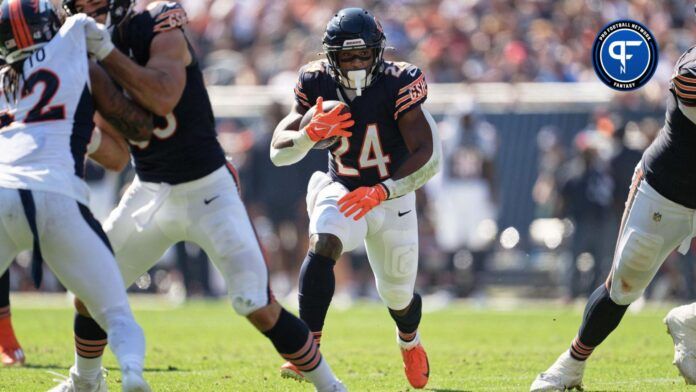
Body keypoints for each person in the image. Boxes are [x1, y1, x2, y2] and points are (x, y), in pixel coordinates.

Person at [44, 1, 346, 391]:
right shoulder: (86, 56)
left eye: (94, 2)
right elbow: (119, 156)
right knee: (89, 289)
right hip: (151, 190)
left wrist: (105, 53)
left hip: (208, 188)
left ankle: (331, 386)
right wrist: (85, 136)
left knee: (258, 305)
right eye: (78, 4)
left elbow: (164, 96)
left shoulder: (158, 25)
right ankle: (85, 381)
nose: (88, 11)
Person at [270, 8, 441, 389]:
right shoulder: (316, 81)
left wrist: (383, 190)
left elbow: (428, 153)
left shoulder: (400, 81)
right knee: (324, 239)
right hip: (344, 187)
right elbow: (279, 151)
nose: (357, 62)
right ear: (331, 56)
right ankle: (306, 351)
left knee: (397, 297)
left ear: (378, 52)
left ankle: (409, 341)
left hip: (391, 195)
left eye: (363, 54)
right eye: (347, 56)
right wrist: (306, 135)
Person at [0, 0, 153, 390]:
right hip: (56, 193)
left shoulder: (4, 82)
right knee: (115, 312)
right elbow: (128, 140)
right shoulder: (74, 39)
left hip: (3, 191)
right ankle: (132, 374)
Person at [530, 42, 696, 391]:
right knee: (624, 284)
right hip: (667, 190)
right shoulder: (691, 69)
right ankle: (571, 364)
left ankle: (691, 319)